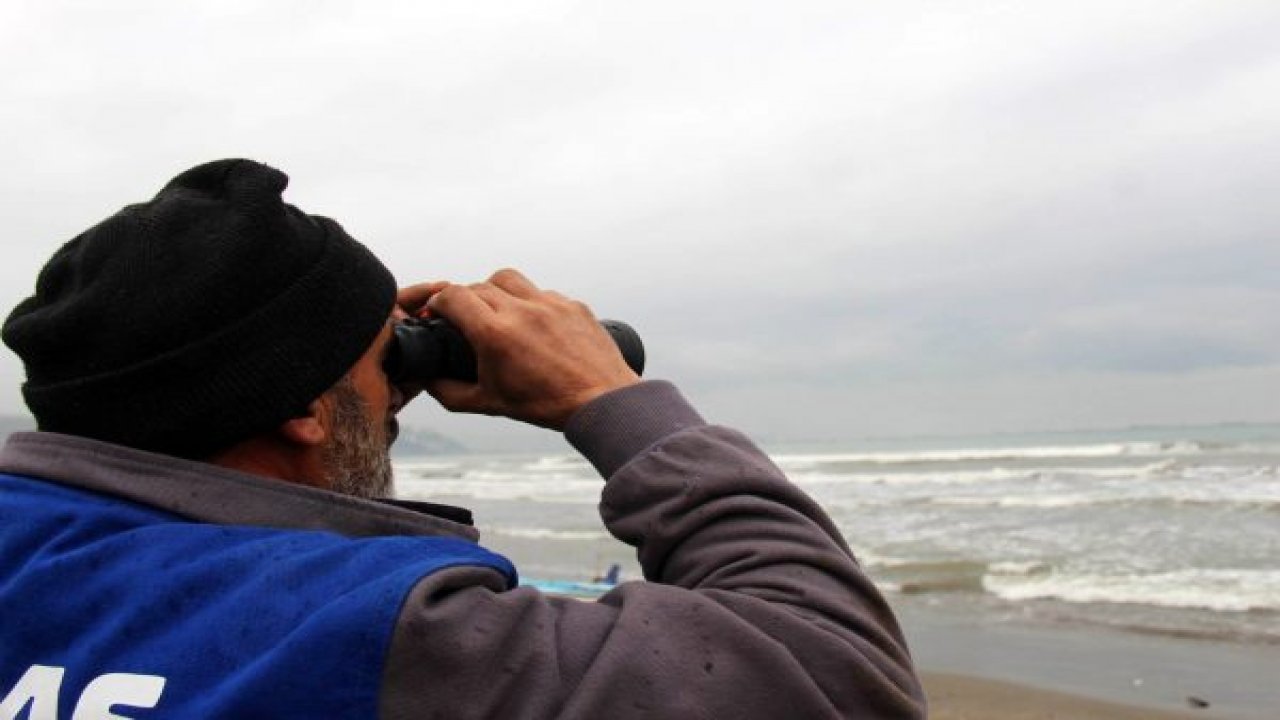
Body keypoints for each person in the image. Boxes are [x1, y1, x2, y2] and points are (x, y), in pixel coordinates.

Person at [0, 159, 925, 719]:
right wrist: (608, 397)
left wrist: (339, 345)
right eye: (382, 363)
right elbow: (836, 680)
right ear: (307, 410)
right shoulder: (382, 631)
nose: (400, 396)